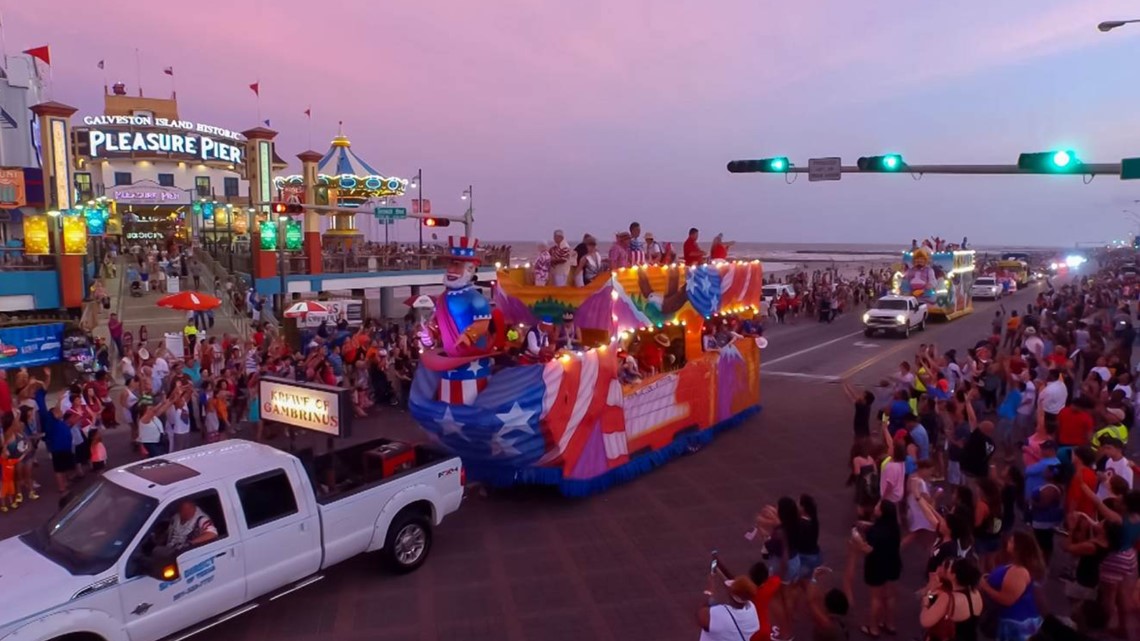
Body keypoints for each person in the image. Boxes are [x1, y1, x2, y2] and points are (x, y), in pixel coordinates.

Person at [978, 531, 1044, 641]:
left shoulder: (1019, 572)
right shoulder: (1015, 565)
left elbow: (1007, 599)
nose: (1008, 543)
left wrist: (985, 587)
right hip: (1009, 618)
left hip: (1014, 622)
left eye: (1012, 542)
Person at [854, 500, 902, 638]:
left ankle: (874, 628)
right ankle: (890, 624)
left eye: (878, 506)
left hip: (876, 566)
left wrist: (857, 538)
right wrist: (869, 526)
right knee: (890, 596)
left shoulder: (875, 533)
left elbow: (867, 549)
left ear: (881, 512)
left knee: (876, 598)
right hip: (893, 563)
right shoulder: (894, 527)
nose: (875, 507)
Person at [919, 558, 984, 641]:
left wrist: (929, 595)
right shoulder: (976, 593)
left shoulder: (947, 598)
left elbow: (925, 621)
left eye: (948, 567)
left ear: (954, 576)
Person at [696, 573, 760, 641]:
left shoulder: (720, 614)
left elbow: (700, 615)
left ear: (732, 594)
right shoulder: (752, 609)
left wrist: (709, 591)